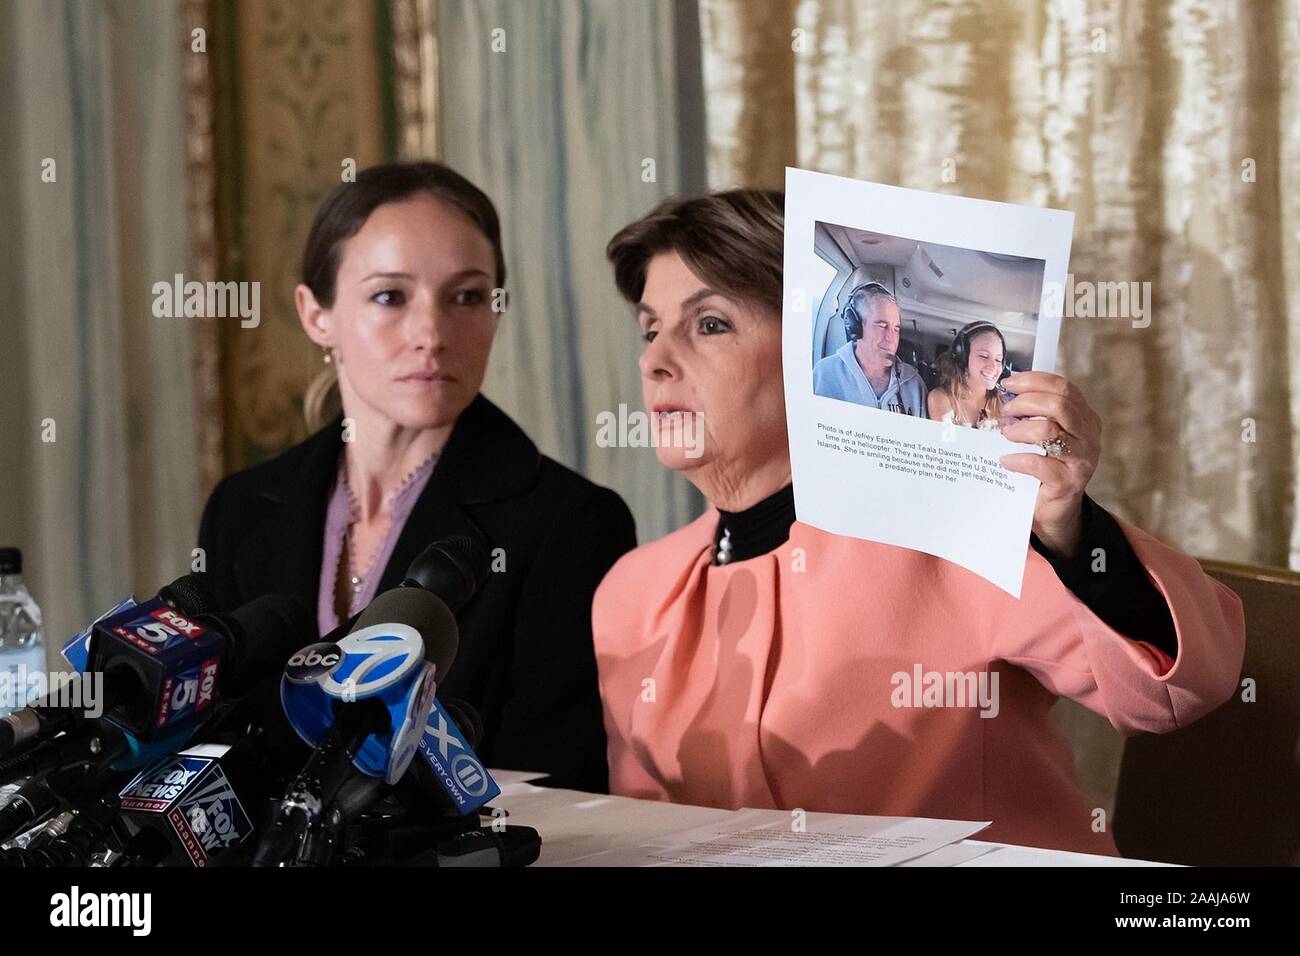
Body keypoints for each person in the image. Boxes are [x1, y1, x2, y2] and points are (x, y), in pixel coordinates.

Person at [594, 189, 1245, 854]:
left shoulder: (951, 527)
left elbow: (1177, 690)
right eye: (649, 330)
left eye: (708, 326)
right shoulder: (631, 593)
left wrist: (1070, 530)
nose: (654, 360)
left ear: (798, 356)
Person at [198, 161, 636, 792]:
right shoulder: (240, 509)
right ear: (316, 314)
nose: (432, 334)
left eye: (467, 296)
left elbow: (558, 789)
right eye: (389, 296)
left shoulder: (568, 522)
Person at [812, 282, 927, 416]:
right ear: (855, 327)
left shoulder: (915, 384)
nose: (892, 338)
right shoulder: (825, 373)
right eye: (882, 326)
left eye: (896, 329)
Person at [928, 320, 1010, 431]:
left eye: (998, 359)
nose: (993, 367)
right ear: (963, 359)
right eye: (984, 356)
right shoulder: (941, 398)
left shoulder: (1004, 406)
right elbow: (947, 445)